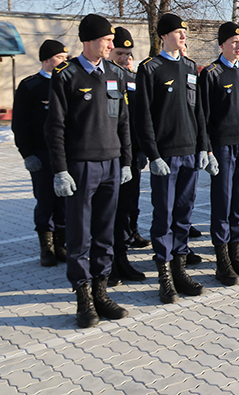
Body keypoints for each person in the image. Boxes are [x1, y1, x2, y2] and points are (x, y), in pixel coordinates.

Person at [44, 14, 132, 328]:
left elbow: (122, 121)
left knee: (105, 233)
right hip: (81, 166)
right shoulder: (66, 75)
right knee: (80, 235)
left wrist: (126, 160)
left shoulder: (115, 74)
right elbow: (54, 127)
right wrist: (60, 170)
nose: (112, 44)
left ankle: (101, 290)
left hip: (110, 163)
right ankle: (83, 297)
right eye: (107, 40)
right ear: (89, 41)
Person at [135, 13, 210, 304]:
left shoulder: (191, 67)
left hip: (189, 153)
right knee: (163, 217)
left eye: (185, 32)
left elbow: (199, 112)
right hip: (165, 156)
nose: (183, 36)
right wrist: (152, 154)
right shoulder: (150, 69)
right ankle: (164, 276)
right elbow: (143, 117)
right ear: (163, 36)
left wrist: (202, 146)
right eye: (178, 31)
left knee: (183, 215)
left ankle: (180, 269)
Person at [198, 21, 239, 286]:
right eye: (234, 42)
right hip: (221, 146)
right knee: (222, 203)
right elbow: (203, 115)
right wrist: (207, 149)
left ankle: (235, 256)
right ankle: (222, 262)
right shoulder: (211, 73)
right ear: (222, 45)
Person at [13, 39, 69, 268]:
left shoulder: (67, 82)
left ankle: (61, 244)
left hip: (65, 155)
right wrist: (27, 154)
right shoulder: (30, 86)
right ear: (46, 60)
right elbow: (19, 124)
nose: (65, 62)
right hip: (41, 154)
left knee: (65, 201)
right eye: (60, 58)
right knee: (46, 201)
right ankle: (46, 248)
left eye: (66, 58)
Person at [106, 27, 147, 286]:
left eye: (128, 54)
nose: (124, 58)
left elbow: (141, 119)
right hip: (108, 156)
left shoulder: (132, 79)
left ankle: (121, 259)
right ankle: (108, 264)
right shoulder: (104, 77)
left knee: (125, 210)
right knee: (108, 214)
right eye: (120, 53)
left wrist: (141, 151)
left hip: (130, 157)